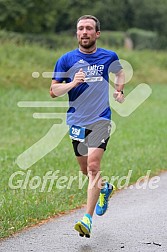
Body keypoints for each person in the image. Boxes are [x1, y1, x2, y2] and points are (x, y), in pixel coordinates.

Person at [50, 15, 125, 238]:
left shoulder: (108, 56)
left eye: (89, 29)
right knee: (85, 170)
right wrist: (73, 83)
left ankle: (87, 219)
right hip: (76, 122)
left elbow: (120, 72)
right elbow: (53, 91)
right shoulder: (66, 60)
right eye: (80, 29)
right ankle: (105, 188)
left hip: (101, 119)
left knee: (93, 166)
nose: (84, 32)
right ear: (77, 33)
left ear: (97, 33)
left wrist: (119, 90)